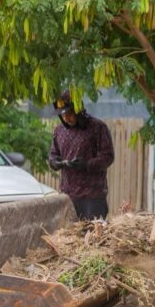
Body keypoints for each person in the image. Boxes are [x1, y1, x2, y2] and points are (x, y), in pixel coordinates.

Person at [48, 91, 114, 220]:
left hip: (92, 197)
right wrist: (55, 162)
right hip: (68, 196)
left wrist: (86, 164)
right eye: (63, 115)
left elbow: (108, 156)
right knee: (69, 237)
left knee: (93, 237)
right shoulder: (59, 131)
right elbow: (53, 154)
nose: (67, 118)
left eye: (69, 113)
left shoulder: (97, 127)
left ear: (79, 110)